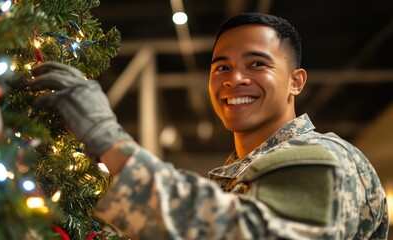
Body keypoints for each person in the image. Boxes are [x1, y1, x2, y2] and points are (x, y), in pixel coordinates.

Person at [30, 12, 389, 239]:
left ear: (296, 81)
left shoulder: (319, 156)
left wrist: (108, 139)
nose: (234, 79)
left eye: (257, 65)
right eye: (221, 67)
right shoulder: (240, 175)